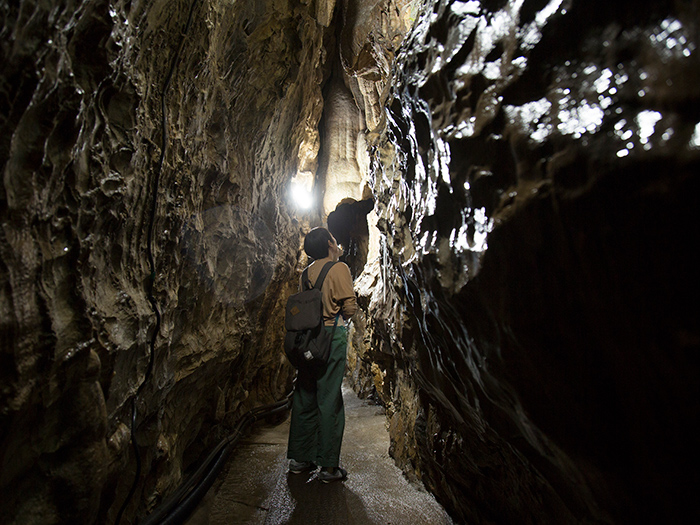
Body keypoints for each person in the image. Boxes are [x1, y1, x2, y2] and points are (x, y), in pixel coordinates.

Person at [287, 227, 357, 483]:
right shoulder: (339, 268)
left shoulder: (306, 273)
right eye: (335, 239)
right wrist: (342, 318)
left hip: (306, 339)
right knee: (329, 398)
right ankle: (328, 467)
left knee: (305, 394)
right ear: (330, 243)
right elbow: (348, 306)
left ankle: (300, 459)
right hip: (331, 336)